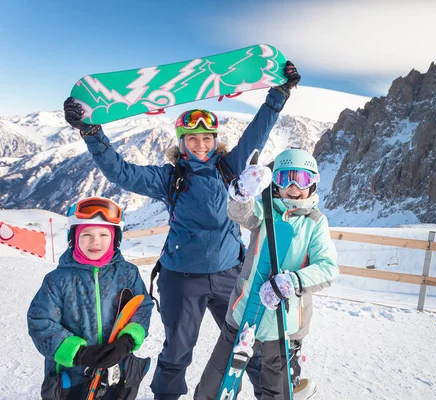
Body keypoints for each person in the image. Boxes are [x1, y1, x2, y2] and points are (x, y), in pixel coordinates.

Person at [63, 62, 301, 400]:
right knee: (177, 351)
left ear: (214, 141)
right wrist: (91, 134)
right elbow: (122, 173)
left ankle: (272, 395)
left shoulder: (228, 168)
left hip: (229, 274)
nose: (200, 144)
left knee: (248, 344)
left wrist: (279, 94)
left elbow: (256, 133)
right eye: (193, 138)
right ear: (182, 141)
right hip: (181, 278)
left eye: (207, 138)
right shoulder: (169, 177)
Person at [194, 148, 339, 400]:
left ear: (313, 183)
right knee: (213, 385)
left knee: (276, 391)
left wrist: (292, 281)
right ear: (275, 183)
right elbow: (241, 214)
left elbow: (327, 267)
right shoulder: (265, 210)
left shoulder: (315, 222)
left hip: (286, 325)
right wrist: (242, 194)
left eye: (302, 179)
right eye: (285, 179)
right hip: (243, 314)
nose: (294, 187)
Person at [27, 196, 154, 400]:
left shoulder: (128, 273)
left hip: (116, 370)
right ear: (73, 238)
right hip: (72, 377)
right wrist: (79, 353)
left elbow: (142, 306)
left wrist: (128, 341)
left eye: (104, 234)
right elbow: (40, 322)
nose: (96, 241)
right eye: (86, 234)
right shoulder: (58, 280)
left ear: (115, 239)